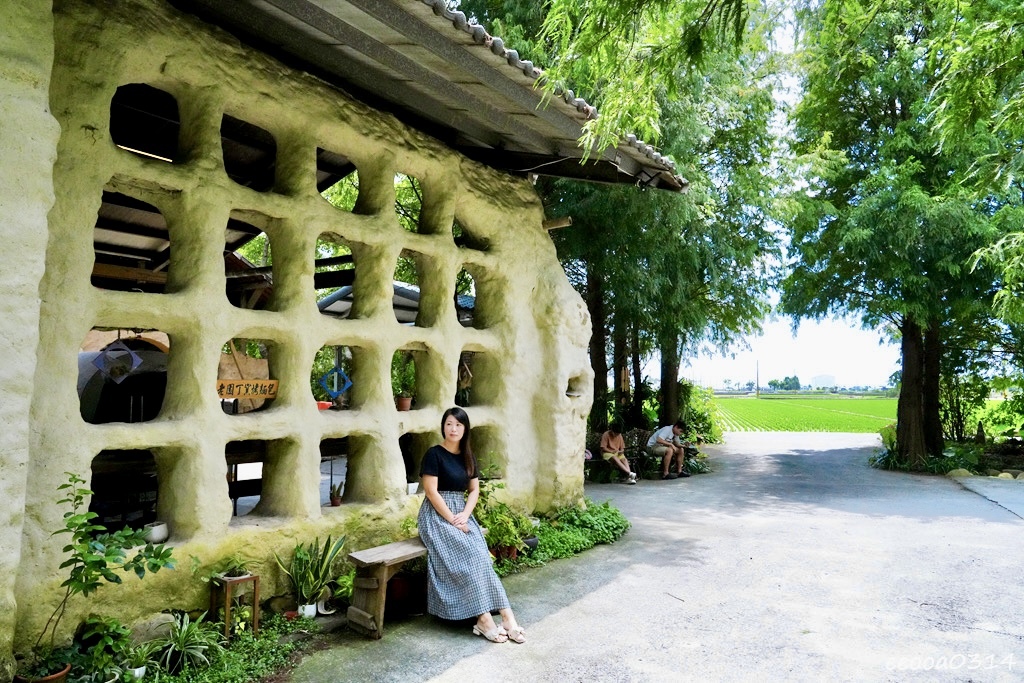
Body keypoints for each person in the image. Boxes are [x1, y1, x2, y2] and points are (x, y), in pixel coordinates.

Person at [418, 406, 526, 644]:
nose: (453, 429)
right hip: (436, 515)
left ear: (465, 429)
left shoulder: (468, 456)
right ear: (443, 427)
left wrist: (465, 515)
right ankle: (484, 618)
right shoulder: (434, 454)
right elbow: (431, 492)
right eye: (449, 424)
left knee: (480, 555)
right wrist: (453, 519)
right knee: (469, 554)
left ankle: (507, 616)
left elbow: (474, 489)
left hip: (460, 513)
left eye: (458, 424)